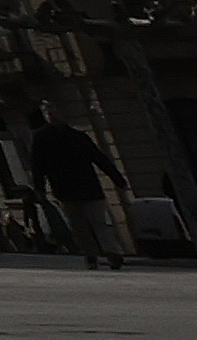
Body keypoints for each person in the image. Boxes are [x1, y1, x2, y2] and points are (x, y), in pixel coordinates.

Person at [27, 114, 128, 267]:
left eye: (54, 110)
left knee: (98, 223)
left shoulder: (77, 137)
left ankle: (111, 252)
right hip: (69, 190)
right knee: (81, 226)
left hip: (83, 188)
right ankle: (92, 254)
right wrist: (39, 188)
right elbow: (37, 167)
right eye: (48, 110)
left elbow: (99, 158)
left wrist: (117, 178)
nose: (52, 115)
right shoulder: (42, 138)